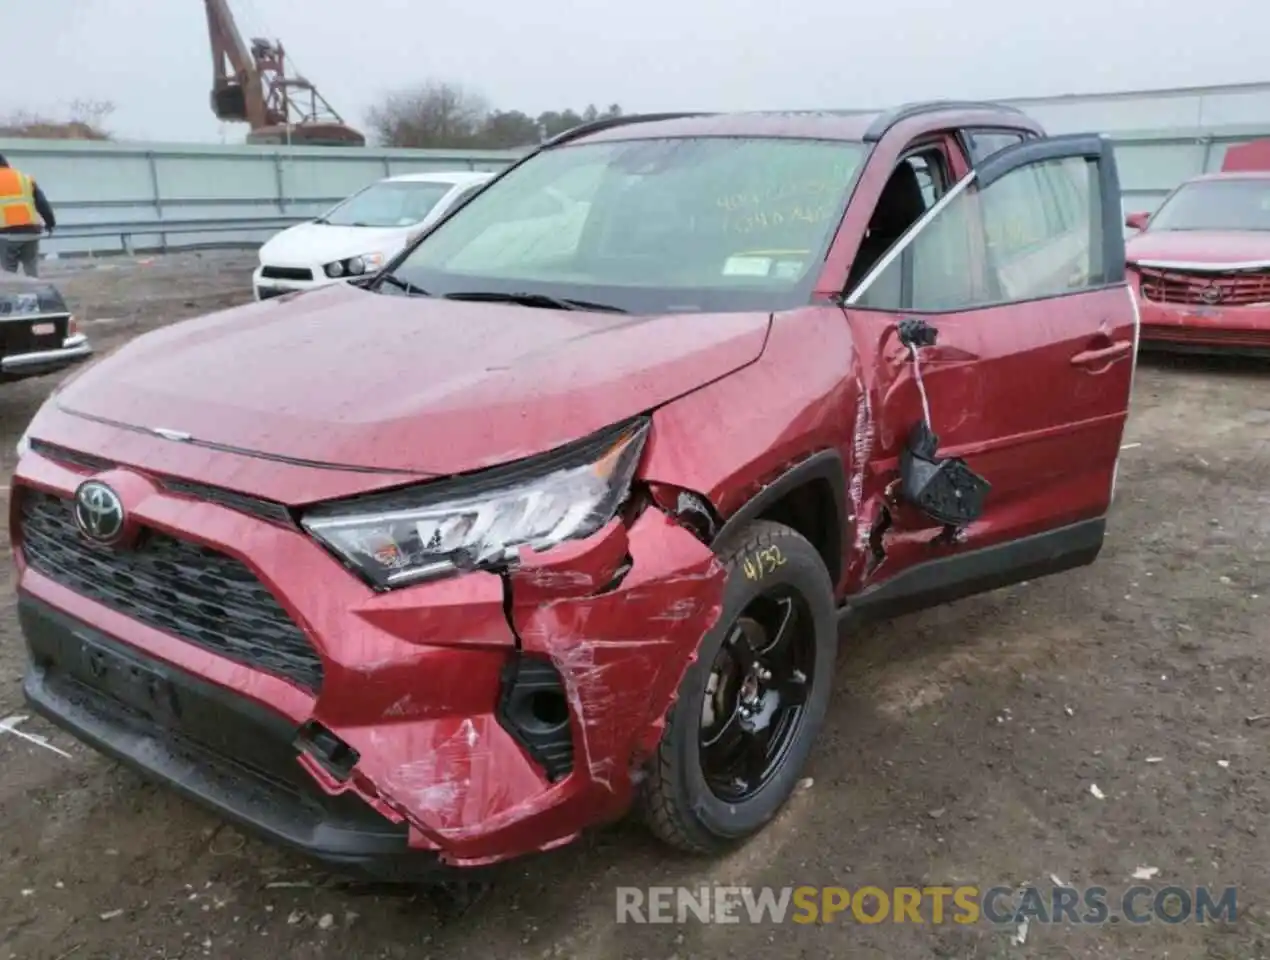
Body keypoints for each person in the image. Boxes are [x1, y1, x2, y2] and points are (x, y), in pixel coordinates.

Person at [0, 154, 55, 277]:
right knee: (31, 268)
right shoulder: (24, 178)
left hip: (5, 235)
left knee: (8, 272)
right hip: (31, 232)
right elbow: (42, 203)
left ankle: (12, 295)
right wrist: (50, 223)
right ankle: (35, 294)